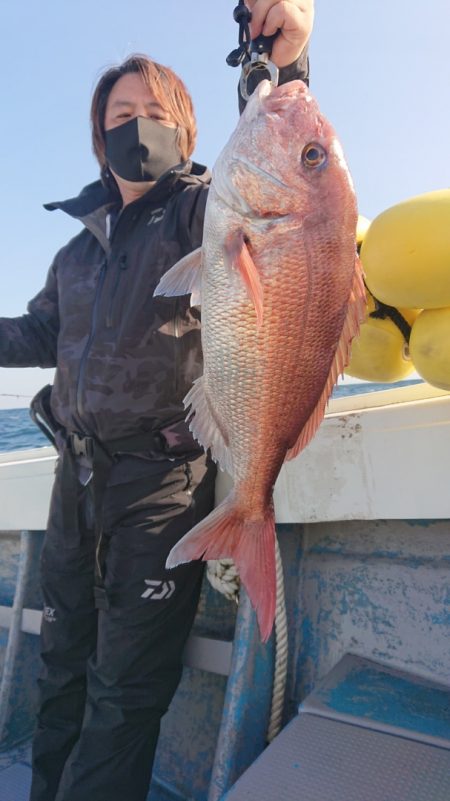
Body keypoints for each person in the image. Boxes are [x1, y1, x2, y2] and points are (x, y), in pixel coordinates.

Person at [0, 3, 313, 799]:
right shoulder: (78, 249)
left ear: (190, 127)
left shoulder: (203, 213)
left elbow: (290, 201)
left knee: (121, 703)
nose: (136, 126)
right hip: (76, 489)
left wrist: (293, 65)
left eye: (154, 113)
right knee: (61, 675)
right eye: (120, 114)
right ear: (96, 135)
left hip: (161, 491)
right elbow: (38, 332)